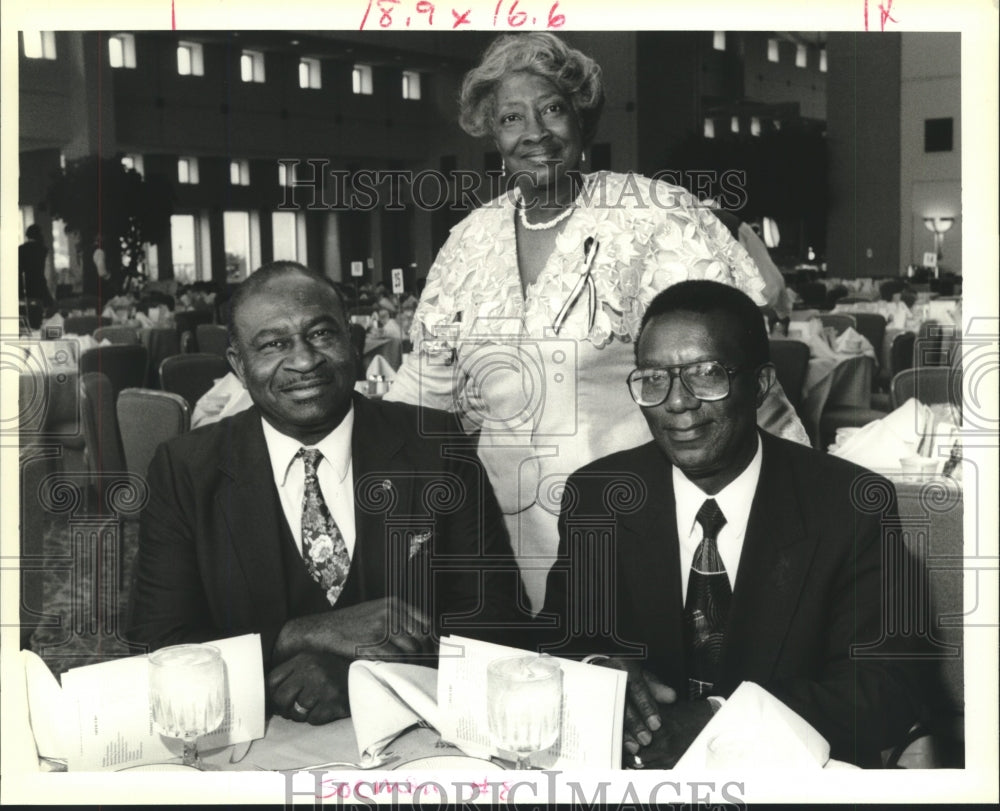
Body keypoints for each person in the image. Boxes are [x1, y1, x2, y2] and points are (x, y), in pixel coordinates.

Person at [384, 32, 810, 612]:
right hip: (492, 536)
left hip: (633, 522)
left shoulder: (652, 215)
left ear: (582, 119)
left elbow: (735, 372)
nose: (534, 132)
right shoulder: (469, 238)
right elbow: (424, 390)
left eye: (552, 108)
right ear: (494, 135)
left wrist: (796, 527)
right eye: (512, 118)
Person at [538, 280, 927, 767]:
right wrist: (596, 672)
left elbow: (883, 690)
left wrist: (717, 718)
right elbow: (559, 642)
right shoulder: (600, 495)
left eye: (706, 374)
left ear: (760, 385)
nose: (677, 401)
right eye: (654, 377)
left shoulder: (849, 503)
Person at [127, 261, 523, 725]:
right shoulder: (186, 470)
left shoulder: (436, 448)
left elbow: (498, 622)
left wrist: (365, 678)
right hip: (253, 752)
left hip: (417, 742)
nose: (304, 360)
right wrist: (304, 633)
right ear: (238, 364)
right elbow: (158, 644)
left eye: (320, 334)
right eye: (274, 344)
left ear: (353, 344)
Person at [18, 224, 55, 311]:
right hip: (41, 289)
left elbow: (17, 272)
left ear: (27, 235)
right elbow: (48, 273)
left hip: (26, 290)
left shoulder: (20, 250)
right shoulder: (44, 250)